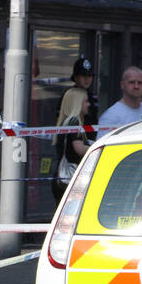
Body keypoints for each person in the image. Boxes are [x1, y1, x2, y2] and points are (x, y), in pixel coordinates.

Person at [54, 57, 97, 201]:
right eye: (83, 75)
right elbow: (76, 147)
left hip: (76, 169)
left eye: (89, 75)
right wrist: (98, 149)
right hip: (70, 173)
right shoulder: (72, 118)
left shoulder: (92, 97)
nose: (87, 79)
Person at [98, 67, 142, 131]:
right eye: (132, 82)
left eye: (140, 83)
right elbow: (103, 141)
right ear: (122, 85)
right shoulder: (111, 116)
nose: (136, 86)